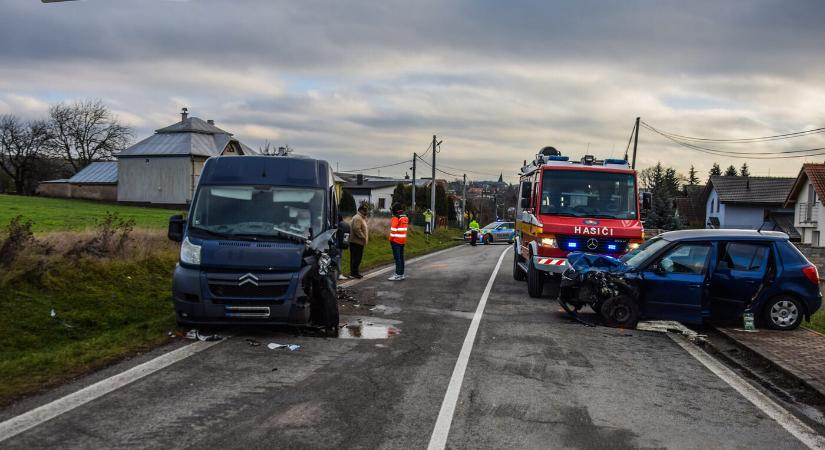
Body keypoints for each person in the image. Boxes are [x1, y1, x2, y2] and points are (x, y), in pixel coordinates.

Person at [388, 202, 408, 281]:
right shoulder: (405, 217)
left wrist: (390, 239)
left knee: (397, 258)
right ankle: (401, 274)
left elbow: (393, 229)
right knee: (401, 258)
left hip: (396, 240)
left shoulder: (396, 217)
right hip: (403, 240)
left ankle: (397, 274)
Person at [349, 205, 369, 279]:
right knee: (356, 258)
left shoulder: (360, 217)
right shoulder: (358, 218)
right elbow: (356, 229)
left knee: (356, 258)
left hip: (357, 242)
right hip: (356, 242)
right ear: (360, 210)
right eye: (364, 210)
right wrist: (363, 237)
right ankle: (354, 273)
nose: (366, 212)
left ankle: (354, 272)